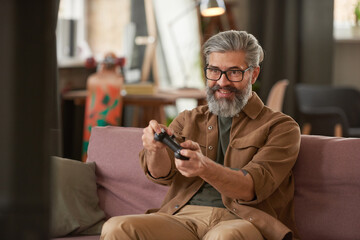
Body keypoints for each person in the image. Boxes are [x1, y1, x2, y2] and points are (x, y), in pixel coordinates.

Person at [101, 30, 301, 240]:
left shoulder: (281, 127)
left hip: (242, 221)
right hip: (182, 216)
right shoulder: (188, 119)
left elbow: (250, 188)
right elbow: (161, 174)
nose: (222, 82)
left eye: (234, 72)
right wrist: (155, 150)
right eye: (214, 71)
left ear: (254, 73)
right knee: (117, 227)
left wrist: (204, 167)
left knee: (224, 237)